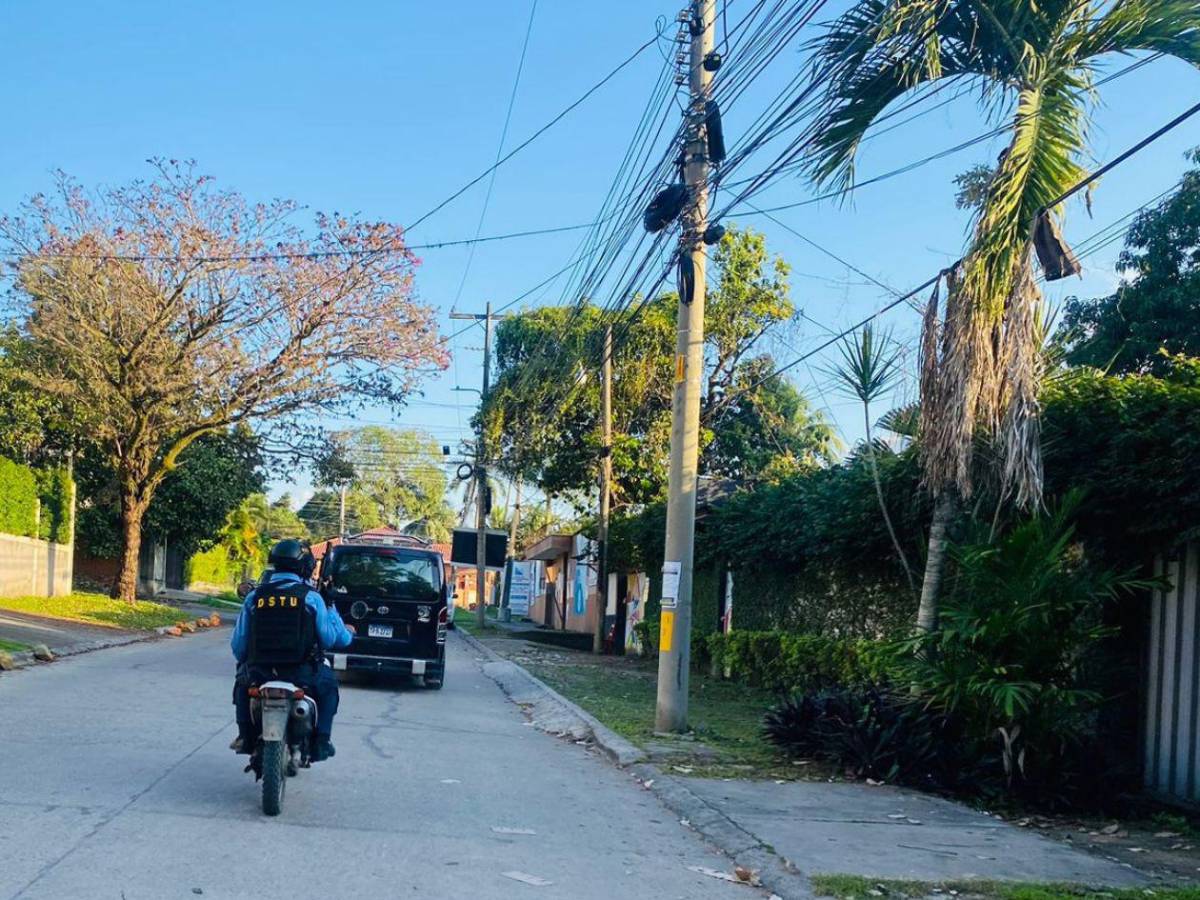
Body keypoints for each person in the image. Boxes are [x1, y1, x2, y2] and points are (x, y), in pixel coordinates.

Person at [229, 539, 355, 762]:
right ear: (305, 567)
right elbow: (328, 640)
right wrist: (331, 605)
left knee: (241, 686)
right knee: (329, 689)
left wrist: (247, 663)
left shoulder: (253, 597)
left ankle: (245, 737)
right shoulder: (312, 598)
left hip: (260, 672)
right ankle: (321, 742)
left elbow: (238, 647)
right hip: (301, 673)